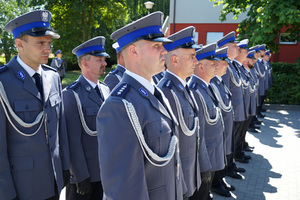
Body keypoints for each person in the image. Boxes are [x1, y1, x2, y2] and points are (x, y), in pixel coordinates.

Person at [97, 11, 187, 200]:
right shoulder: (119, 106)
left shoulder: (157, 92)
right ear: (133, 51)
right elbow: (124, 190)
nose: (164, 51)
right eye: (156, 45)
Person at [1, 10, 70, 200]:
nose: (47, 48)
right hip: (23, 188)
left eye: (48, 43)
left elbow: (60, 129)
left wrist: (65, 167)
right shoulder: (3, 83)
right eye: (40, 43)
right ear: (19, 44)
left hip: (55, 181)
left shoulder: (53, 77)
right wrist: (5, 193)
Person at [157, 26, 203, 199]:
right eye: (192, 57)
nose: (196, 61)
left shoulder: (183, 86)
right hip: (180, 177)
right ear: (174, 60)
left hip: (191, 171)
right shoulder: (167, 91)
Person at [62, 36, 110, 200]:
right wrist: (80, 175)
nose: (104, 63)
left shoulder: (105, 90)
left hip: (105, 172)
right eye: (99, 60)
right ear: (85, 63)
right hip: (86, 176)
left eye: (104, 59)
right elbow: (72, 141)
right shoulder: (71, 94)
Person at [188, 43, 226, 199]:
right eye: (212, 64)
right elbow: (199, 133)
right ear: (201, 67)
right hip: (205, 158)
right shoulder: (195, 90)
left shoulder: (207, 86)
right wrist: (204, 165)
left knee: (206, 193)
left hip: (213, 152)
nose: (216, 66)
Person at [217, 32, 250, 168]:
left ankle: (230, 164)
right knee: (229, 141)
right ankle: (228, 167)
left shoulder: (233, 65)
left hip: (236, 108)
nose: (238, 48)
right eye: (234, 46)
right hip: (231, 110)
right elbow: (223, 91)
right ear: (225, 47)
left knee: (233, 140)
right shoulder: (225, 65)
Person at [210, 46, 236, 197]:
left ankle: (220, 179)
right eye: (224, 63)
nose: (227, 66)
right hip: (218, 129)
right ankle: (216, 183)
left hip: (225, 126)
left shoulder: (218, 81)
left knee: (224, 155)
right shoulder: (211, 83)